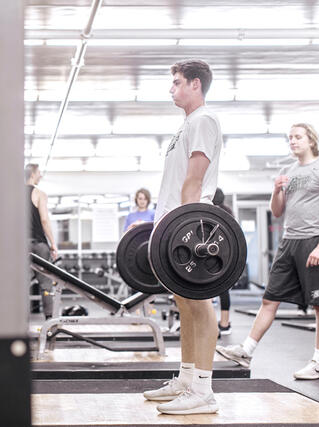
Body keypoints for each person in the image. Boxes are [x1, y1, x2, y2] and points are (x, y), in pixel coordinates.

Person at [217, 123, 319, 380]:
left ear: (311, 140)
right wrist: (276, 190)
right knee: (269, 299)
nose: (293, 142)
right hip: (289, 241)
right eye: (290, 138)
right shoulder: (288, 171)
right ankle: (246, 350)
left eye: (298, 137)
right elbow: (277, 211)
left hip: (313, 240)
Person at [142, 59, 223, 415]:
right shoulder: (186, 125)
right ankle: (187, 379)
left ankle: (203, 390)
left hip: (189, 228)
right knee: (184, 303)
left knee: (200, 305)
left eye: (176, 82)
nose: (171, 88)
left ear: (195, 84)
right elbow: (173, 184)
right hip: (174, 224)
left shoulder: (204, 120)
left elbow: (195, 178)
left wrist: (184, 227)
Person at [25, 163, 58, 319]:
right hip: (39, 244)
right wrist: (53, 244)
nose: (41, 175)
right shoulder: (39, 193)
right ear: (32, 174)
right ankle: (49, 320)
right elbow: (44, 220)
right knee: (45, 284)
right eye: (39, 172)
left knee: (22, 285)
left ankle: (19, 322)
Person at [213, 188, 234, 336]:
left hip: (212, 256)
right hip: (224, 256)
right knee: (223, 289)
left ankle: (205, 324)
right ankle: (224, 324)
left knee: (202, 290)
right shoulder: (228, 212)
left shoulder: (204, 211)